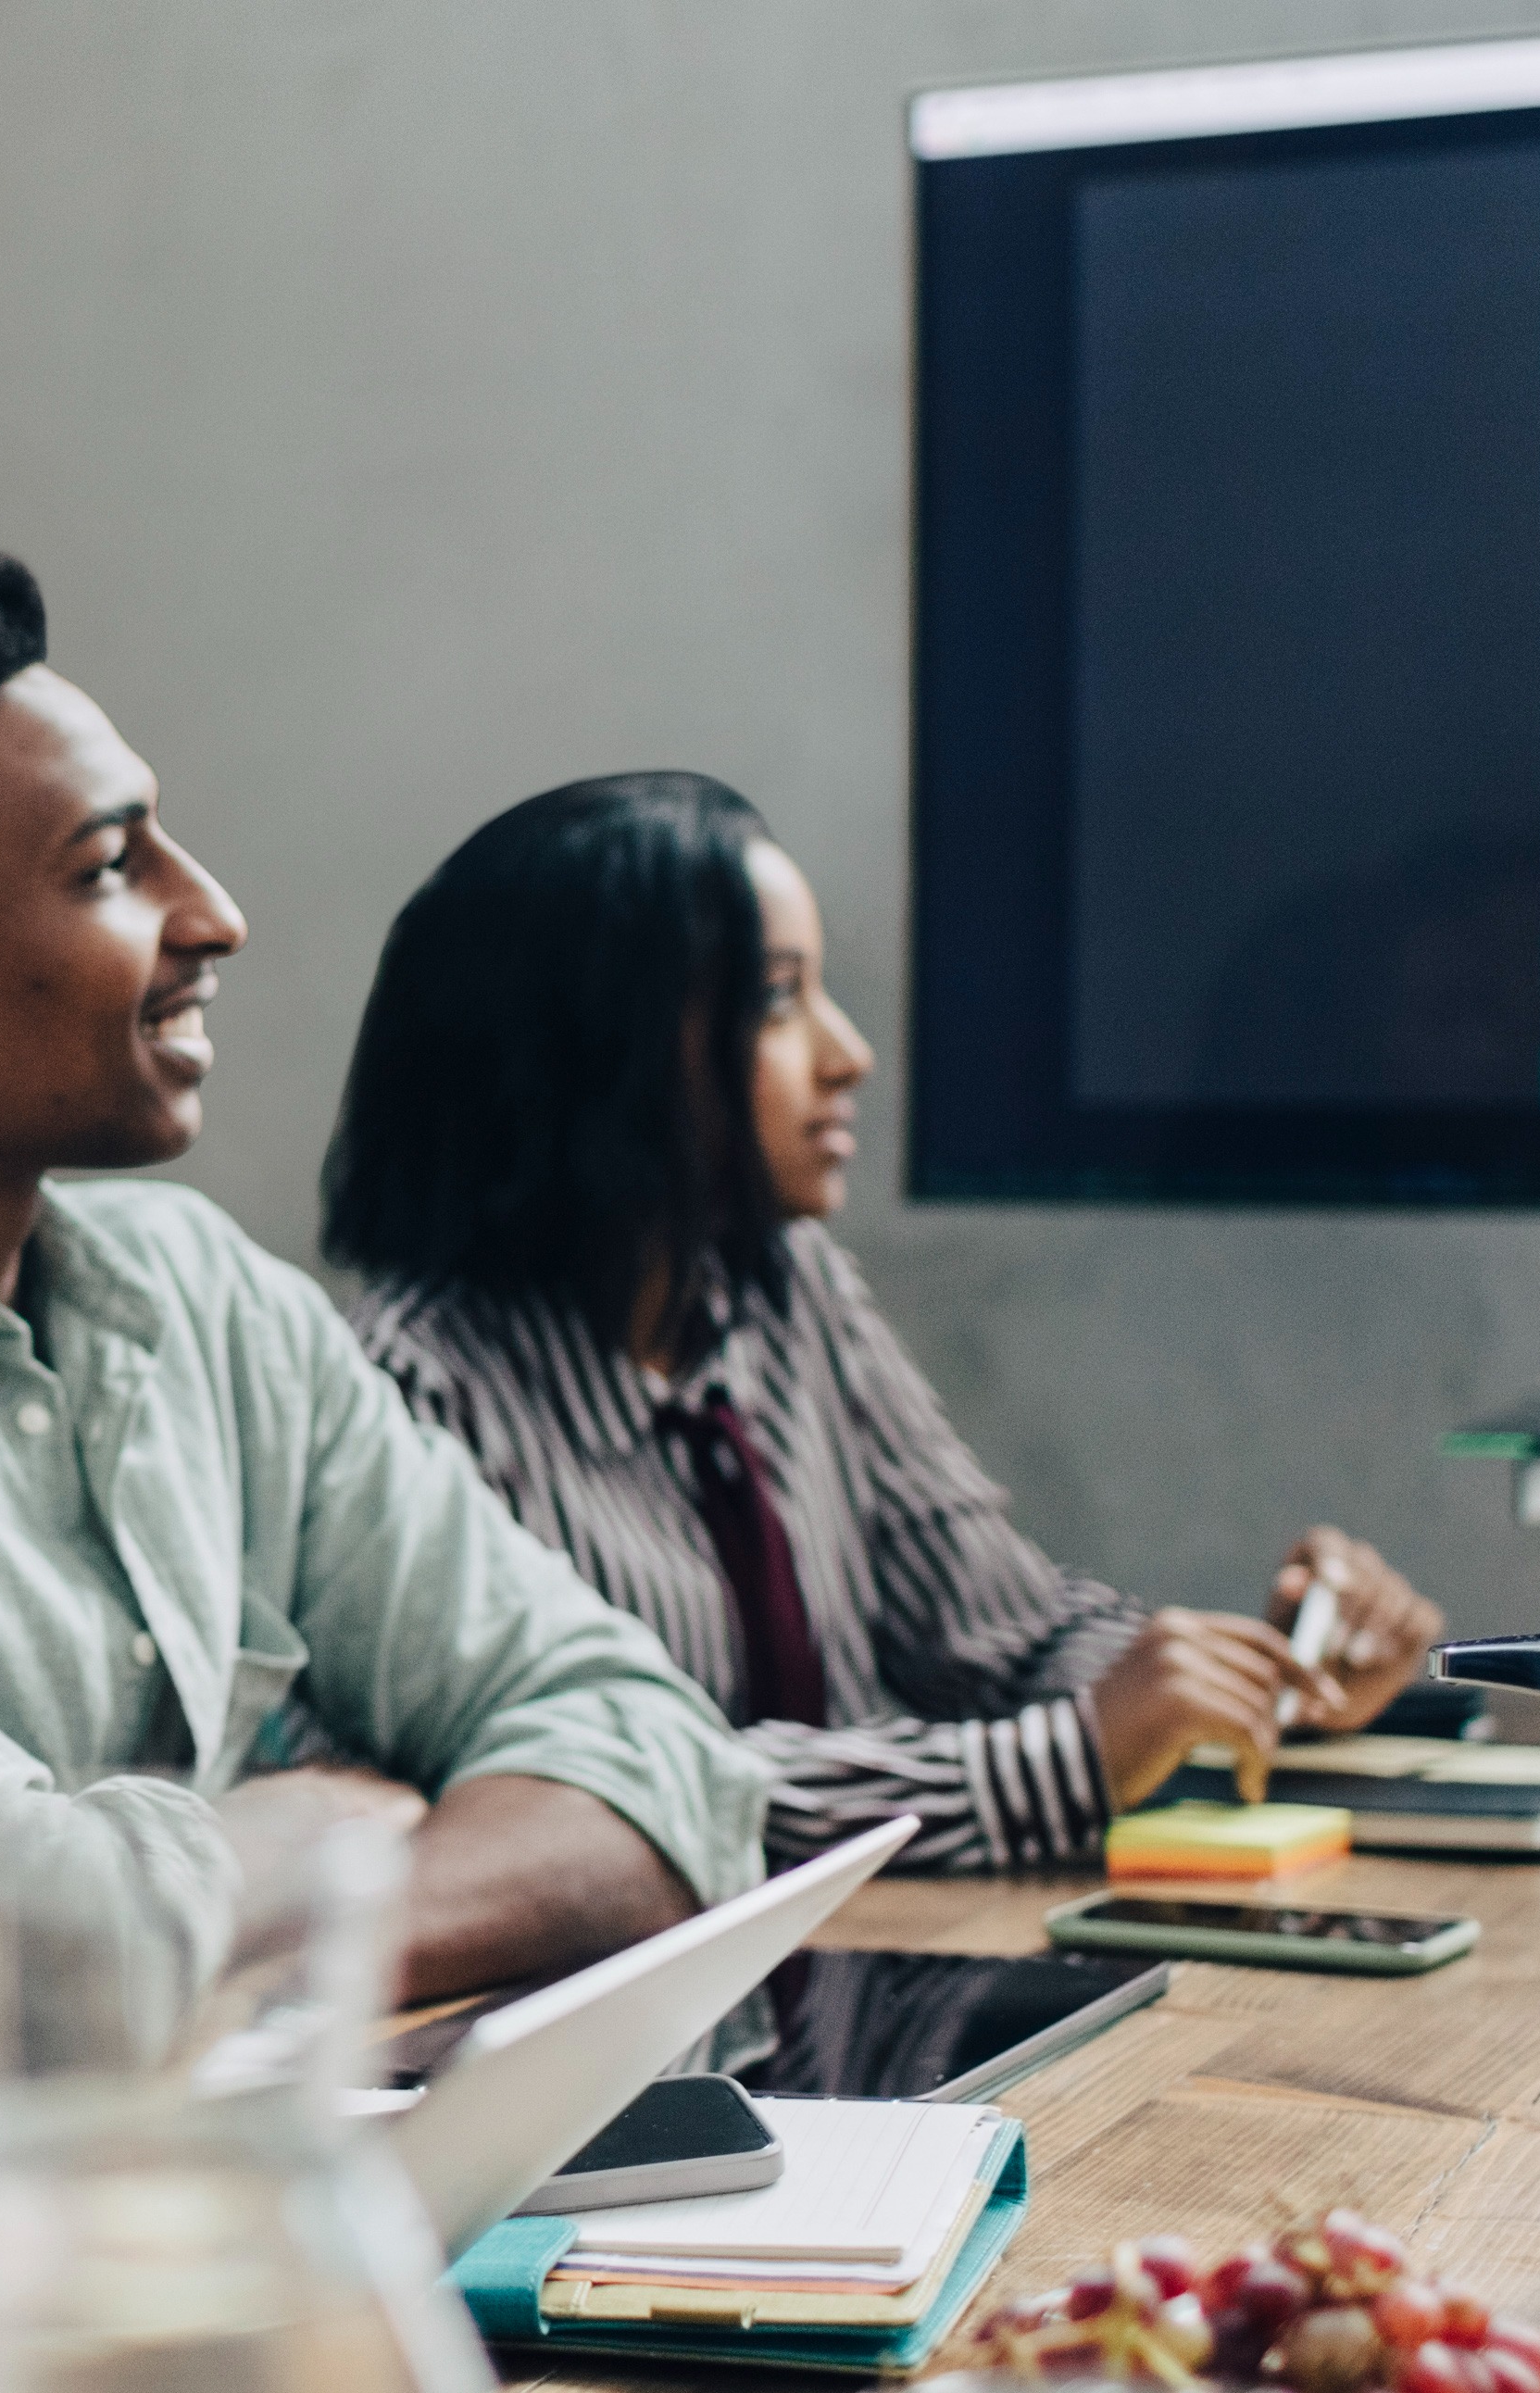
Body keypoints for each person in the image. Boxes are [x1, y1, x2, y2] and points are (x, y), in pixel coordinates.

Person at [0, 537, 770, 2035]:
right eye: (109, 866)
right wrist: (330, 1837)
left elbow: (662, 1747)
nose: (214, 913)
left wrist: (323, 1900)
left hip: (267, 2177)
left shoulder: (203, 1291)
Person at [331, 777, 1449, 1868]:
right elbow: (605, 1797)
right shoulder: (408, 1395)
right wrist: (1064, 1760)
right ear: (596, 1052)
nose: (847, 1052)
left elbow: (999, 1640)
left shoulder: (788, 1287)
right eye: (777, 999)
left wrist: (1247, 1678)